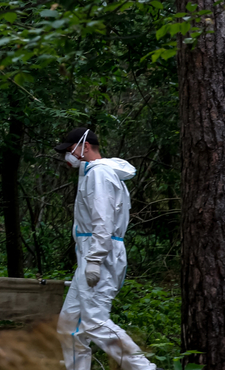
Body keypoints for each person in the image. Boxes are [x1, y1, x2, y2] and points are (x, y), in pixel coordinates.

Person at [54, 128, 157, 370]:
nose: (67, 157)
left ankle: (144, 368)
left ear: (85, 147)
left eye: (70, 151)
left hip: (100, 251)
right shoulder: (93, 172)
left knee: (94, 321)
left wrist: (95, 259)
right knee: (70, 325)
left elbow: (103, 220)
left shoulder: (99, 174)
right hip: (93, 251)